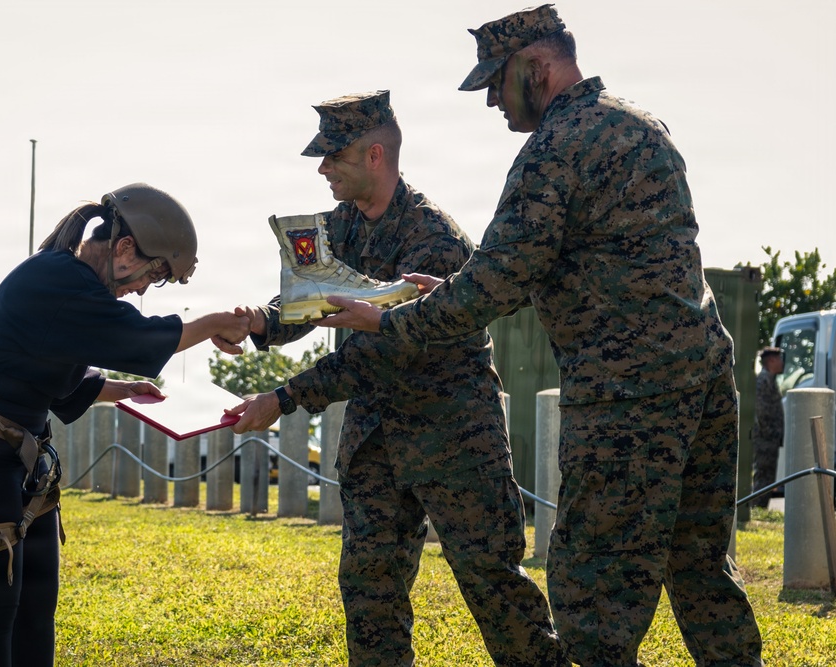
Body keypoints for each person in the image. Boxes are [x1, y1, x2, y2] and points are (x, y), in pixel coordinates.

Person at [315, 6, 763, 666]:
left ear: (538, 66)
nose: (493, 100)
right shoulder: (642, 125)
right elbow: (590, 270)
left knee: (592, 607)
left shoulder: (554, 149)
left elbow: (494, 282)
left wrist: (388, 319)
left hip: (625, 401)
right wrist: (464, 292)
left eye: (497, 82)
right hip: (703, 379)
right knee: (701, 575)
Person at [225, 91, 566, 667]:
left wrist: (283, 399)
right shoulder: (340, 227)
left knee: (494, 590)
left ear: (375, 155)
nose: (322, 168)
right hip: (377, 442)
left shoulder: (433, 238)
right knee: (370, 594)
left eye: (334, 157)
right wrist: (259, 322)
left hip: (453, 438)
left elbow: (382, 353)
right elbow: (309, 299)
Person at [0, 182, 250, 667]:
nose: (143, 289)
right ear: (124, 249)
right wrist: (214, 323)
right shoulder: (59, 278)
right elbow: (136, 336)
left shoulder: (71, 288)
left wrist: (122, 390)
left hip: (25, 459)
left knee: (37, 608)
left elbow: (55, 377)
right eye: (152, 274)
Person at [752, 346, 784, 508]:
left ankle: (760, 507)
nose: (782, 362)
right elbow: (762, 411)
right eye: (779, 359)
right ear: (771, 360)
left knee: (768, 476)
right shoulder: (763, 380)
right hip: (765, 439)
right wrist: (772, 433)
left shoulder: (769, 379)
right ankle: (757, 507)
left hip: (770, 438)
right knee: (763, 475)